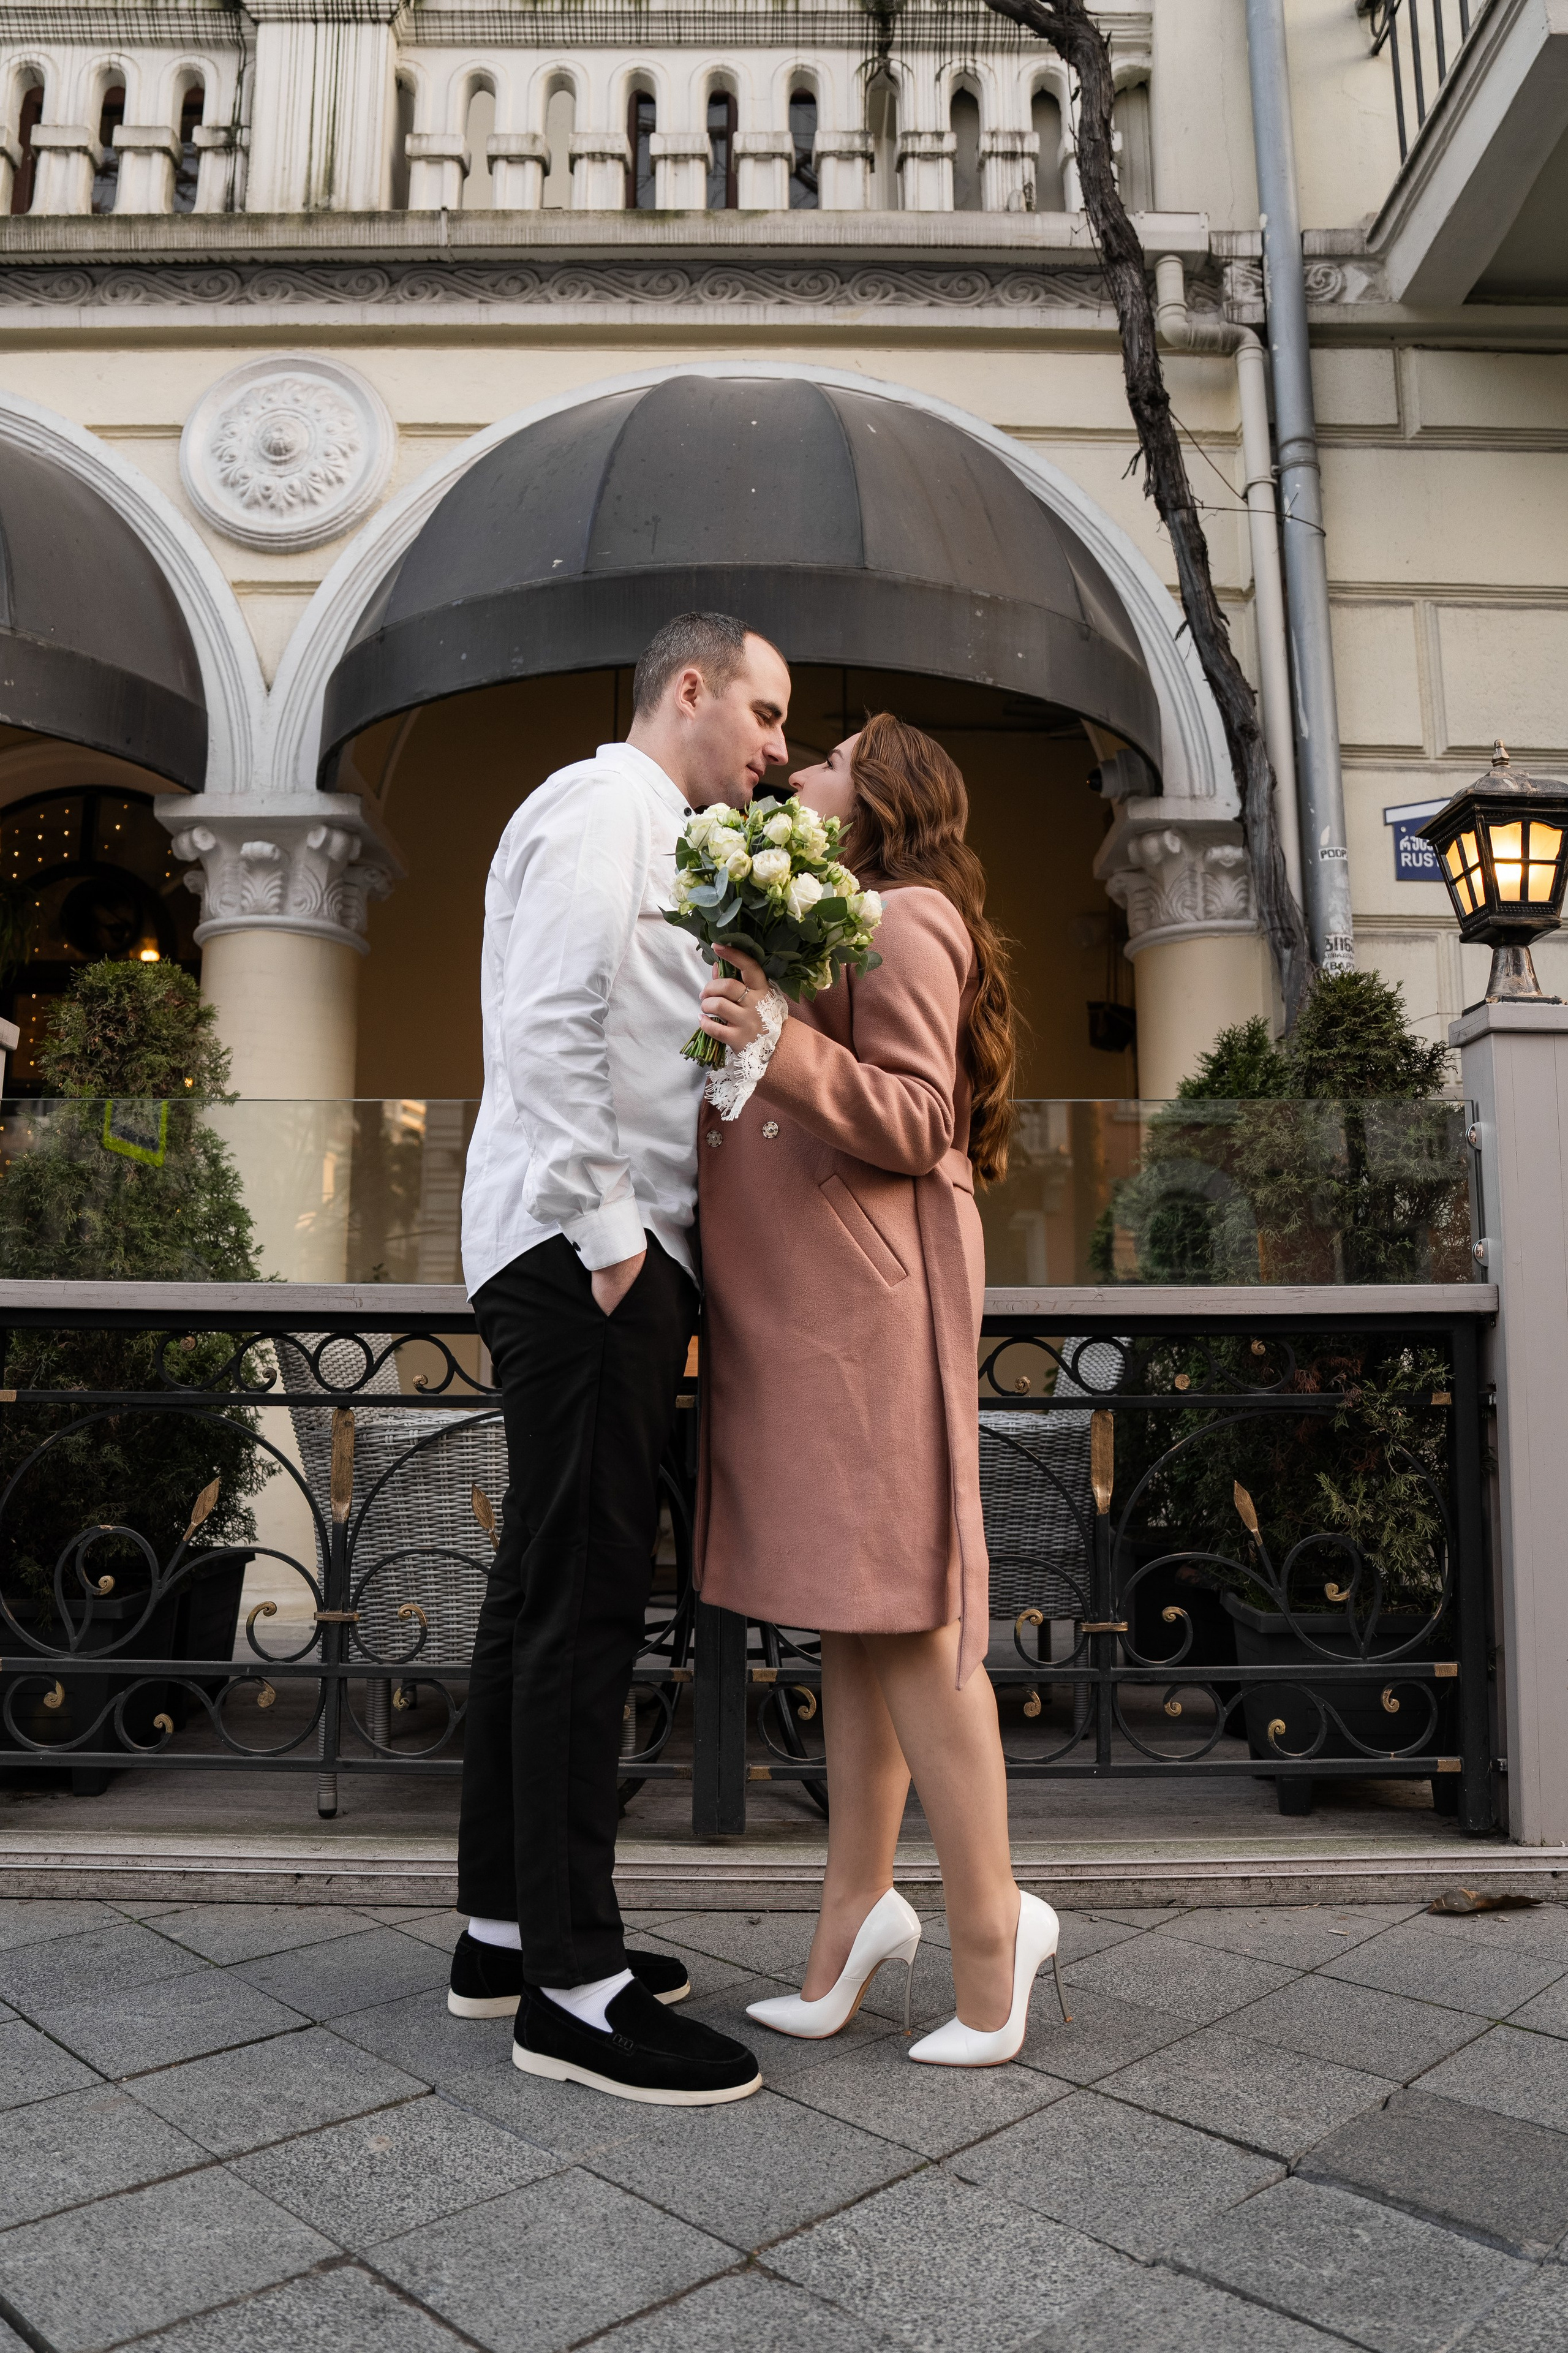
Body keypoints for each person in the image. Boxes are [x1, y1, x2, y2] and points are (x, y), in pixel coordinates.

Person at [448, 611, 791, 2106]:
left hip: (580, 1247)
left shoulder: (657, 830)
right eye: (768, 714)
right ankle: (571, 1994)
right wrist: (607, 1235)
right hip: (586, 1252)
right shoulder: (609, 808)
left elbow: (648, 1047)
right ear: (692, 688)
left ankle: (501, 1934)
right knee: (583, 1607)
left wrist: (741, 1032)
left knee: (539, 1592)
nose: (778, 748)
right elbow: (545, 1019)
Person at [692, 712, 1068, 2066]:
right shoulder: (835, 914)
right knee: (850, 1614)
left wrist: (776, 1042)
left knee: (909, 1610)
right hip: (809, 1307)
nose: (801, 765)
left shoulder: (906, 914)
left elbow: (920, 1116)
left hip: (872, 1304)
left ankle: (990, 1928)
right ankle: (853, 1914)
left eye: (832, 754)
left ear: (882, 796)